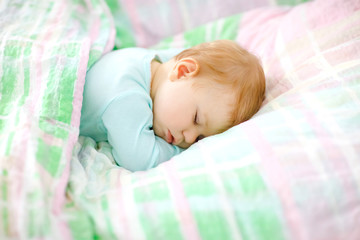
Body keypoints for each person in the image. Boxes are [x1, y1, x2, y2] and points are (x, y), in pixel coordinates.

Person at [80, 40, 265, 171]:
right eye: (196, 119)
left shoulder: (157, 65)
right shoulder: (127, 97)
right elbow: (139, 160)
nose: (190, 138)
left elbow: (189, 55)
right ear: (183, 71)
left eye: (200, 138)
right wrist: (186, 152)